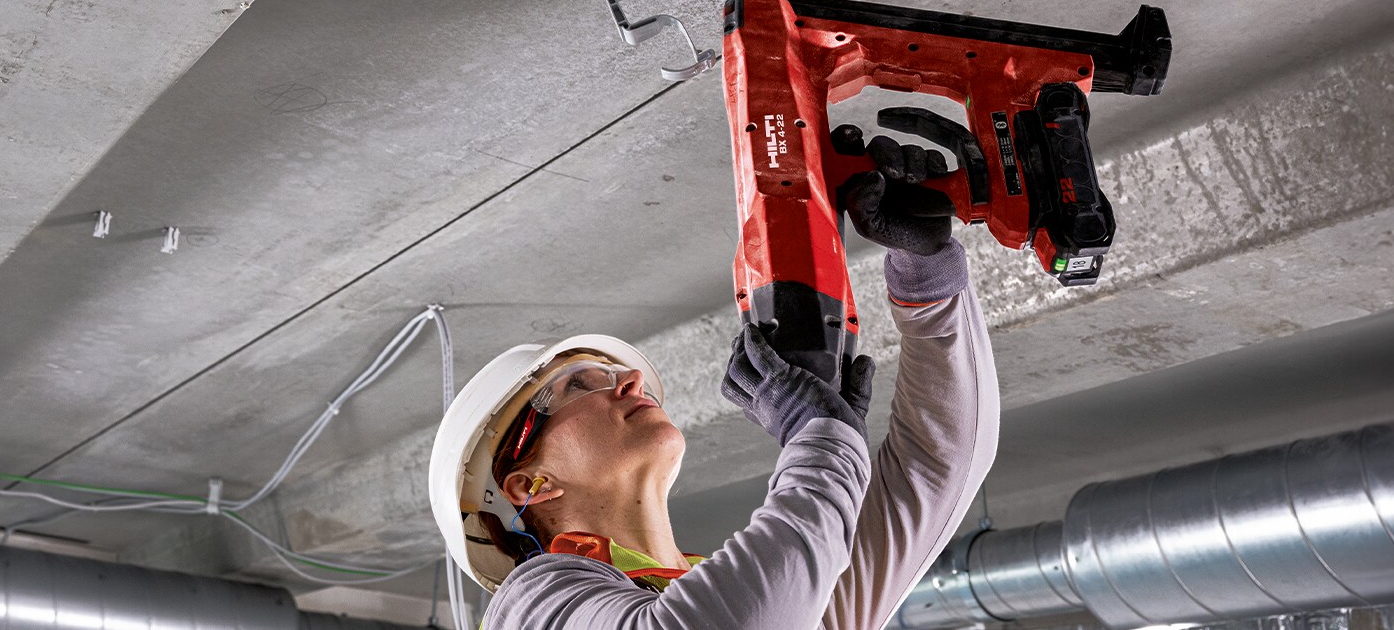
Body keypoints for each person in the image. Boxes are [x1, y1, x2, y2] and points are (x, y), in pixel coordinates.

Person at [427, 133, 1001, 629]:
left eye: (615, 373)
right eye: (579, 385)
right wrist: (824, 445)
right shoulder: (531, 608)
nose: (632, 380)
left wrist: (929, 278)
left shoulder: (781, 596)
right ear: (528, 484)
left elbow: (936, 467)